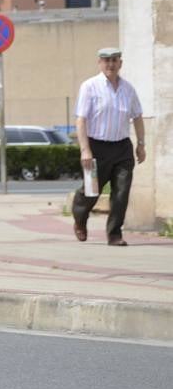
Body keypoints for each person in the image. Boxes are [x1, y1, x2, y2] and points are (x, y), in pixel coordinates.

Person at [71, 47, 145, 246]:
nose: (110, 64)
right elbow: (81, 120)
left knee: (121, 192)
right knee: (91, 191)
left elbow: (137, 116)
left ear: (120, 63)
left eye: (114, 60)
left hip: (122, 148)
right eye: (106, 60)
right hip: (96, 148)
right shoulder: (90, 86)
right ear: (99, 63)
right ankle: (79, 215)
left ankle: (114, 234)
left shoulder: (128, 89)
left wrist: (141, 144)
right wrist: (85, 150)